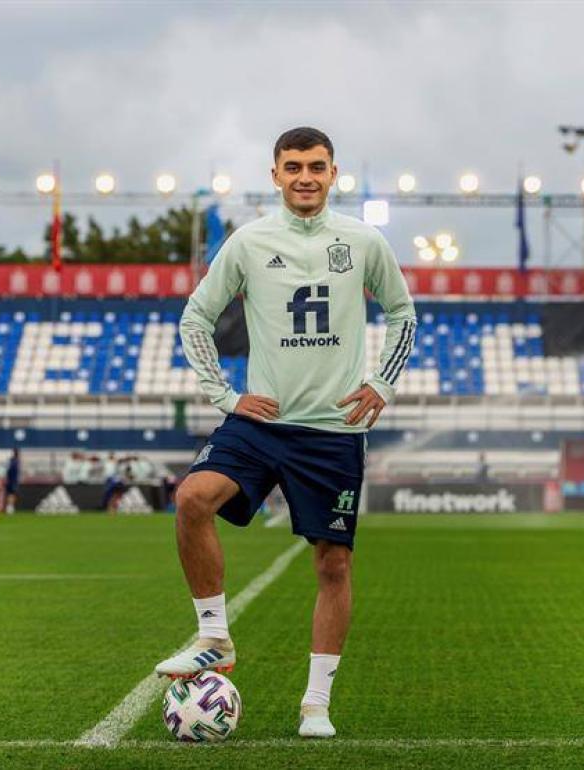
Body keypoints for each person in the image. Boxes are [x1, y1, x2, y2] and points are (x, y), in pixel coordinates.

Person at [153, 127, 416, 739]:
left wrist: (382, 382)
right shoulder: (248, 243)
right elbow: (196, 316)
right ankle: (213, 636)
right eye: (293, 166)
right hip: (260, 423)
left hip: (331, 431)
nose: (305, 176)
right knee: (193, 498)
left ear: (333, 173)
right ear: (275, 175)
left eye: (316, 166)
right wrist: (224, 395)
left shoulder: (362, 240)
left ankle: (315, 704)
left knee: (333, 566)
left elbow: (403, 312)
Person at [1, 449, 20, 515]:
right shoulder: (15, 462)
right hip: (12, 481)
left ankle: (8, 507)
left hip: (10, 480)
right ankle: (10, 508)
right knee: (12, 494)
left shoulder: (11, 462)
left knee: (10, 494)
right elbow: (9, 472)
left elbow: (7, 471)